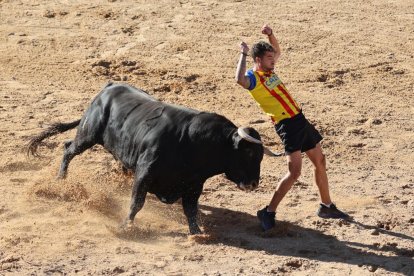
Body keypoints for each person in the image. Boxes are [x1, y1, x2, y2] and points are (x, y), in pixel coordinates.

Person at [235, 24, 349, 231]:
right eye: (269, 58)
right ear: (258, 60)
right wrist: (243, 54)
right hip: (286, 125)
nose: (274, 59)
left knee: (320, 162)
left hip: (300, 119)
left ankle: (326, 206)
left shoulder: (269, 70)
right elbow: (239, 80)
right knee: (294, 172)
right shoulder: (254, 78)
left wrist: (271, 35)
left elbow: (277, 50)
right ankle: (267, 211)